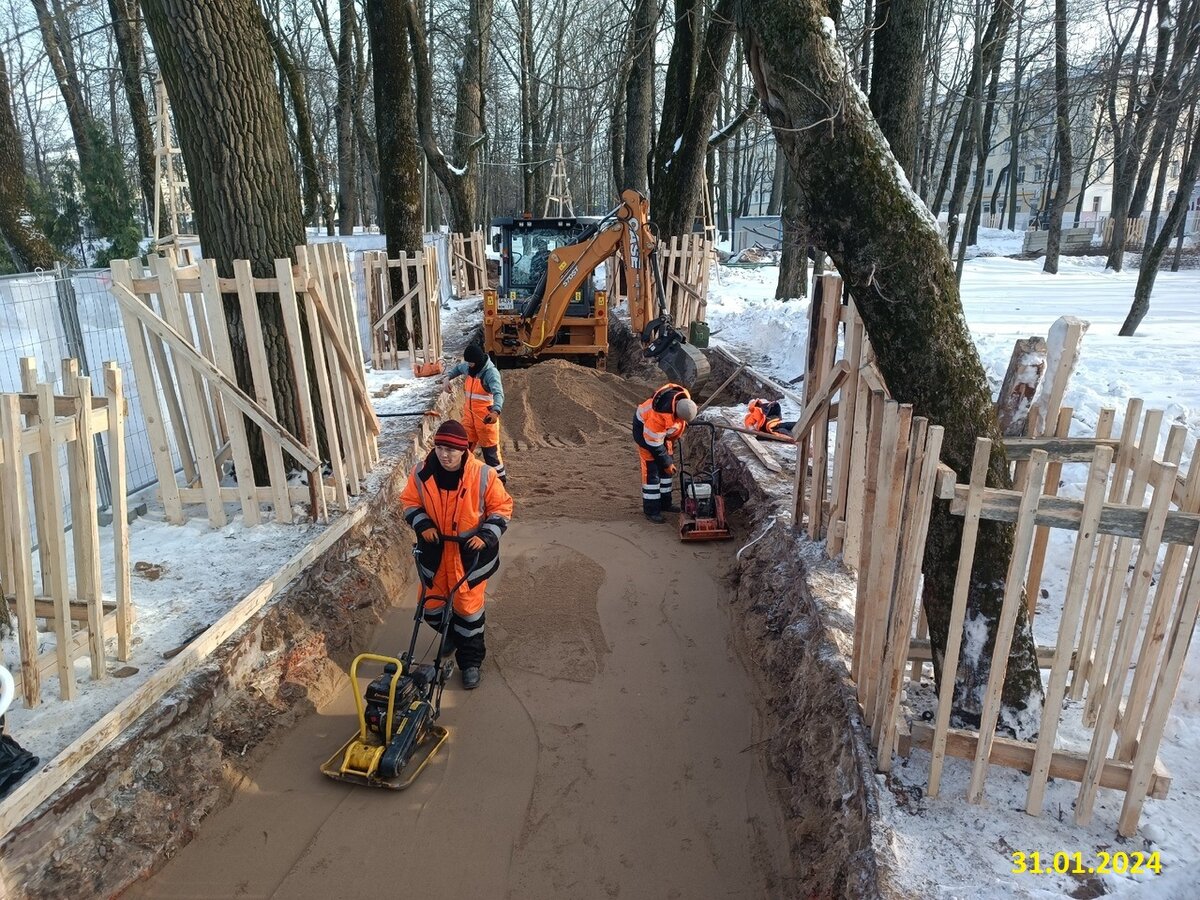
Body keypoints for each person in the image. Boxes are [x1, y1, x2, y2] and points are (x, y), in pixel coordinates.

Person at [401, 420, 514, 690]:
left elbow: (502, 508)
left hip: (469, 559)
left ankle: (471, 663)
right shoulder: (421, 473)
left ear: (464, 450)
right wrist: (423, 524)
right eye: (440, 448)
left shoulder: (484, 475)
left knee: (470, 614)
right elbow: (409, 501)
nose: (444, 455)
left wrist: (486, 536)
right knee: (430, 608)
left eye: (451, 450)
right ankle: (451, 635)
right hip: (435, 554)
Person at [632, 383, 698, 523]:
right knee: (652, 474)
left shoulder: (683, 400)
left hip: (663, 435)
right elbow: (654, 444)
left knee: (666, 472)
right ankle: (652, 510)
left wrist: (667, 464)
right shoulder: (658, 416)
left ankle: (665, 504)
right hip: (646, 434)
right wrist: (667, 463)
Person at [442, 344, 507, 483]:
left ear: (477, 361)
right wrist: (447, 378)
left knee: (491, 456)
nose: (469, 366)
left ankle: (499, 482)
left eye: (471, 363)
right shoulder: (469, 367)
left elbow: (498, 393)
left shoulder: (490, 373)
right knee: (463, 452)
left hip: (486, 421)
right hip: (469, 420)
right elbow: (459, 368)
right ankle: (461, 479)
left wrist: (495, 412)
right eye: (468, 363)